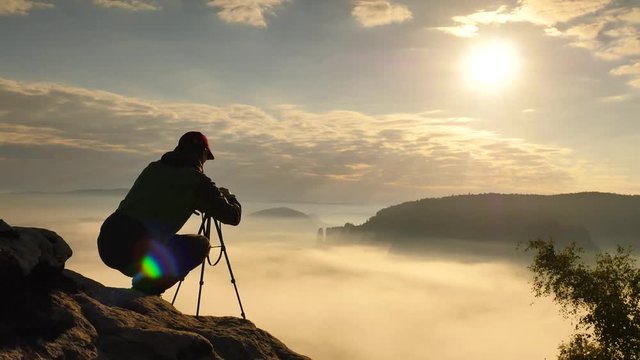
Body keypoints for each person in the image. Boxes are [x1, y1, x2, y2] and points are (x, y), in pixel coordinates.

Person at [97, 131, 241, 295]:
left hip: (108, 242)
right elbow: (233, 217)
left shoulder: (153, 168)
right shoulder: (197, 181)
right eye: (206, 157)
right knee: (200, 244)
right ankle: (147, 287)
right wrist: (229, 197)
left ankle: (145, 284)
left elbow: (157, 197)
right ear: (203, 153)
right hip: (134, 250)